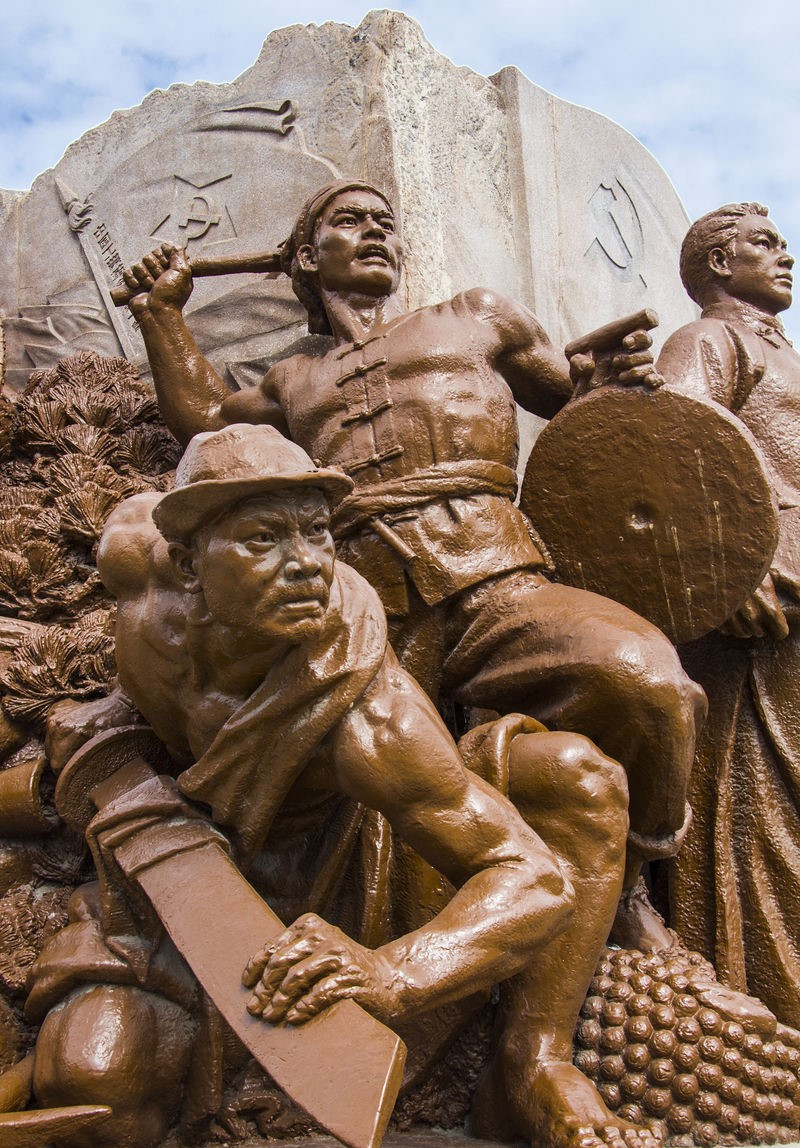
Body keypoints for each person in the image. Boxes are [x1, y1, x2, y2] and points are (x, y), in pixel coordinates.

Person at [28, 424, 659, 1148]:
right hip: (173, 854)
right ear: (188, 562)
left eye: (317, 531)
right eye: (264, 538)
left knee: (574, 776)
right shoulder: (134, 554)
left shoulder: (365, 712)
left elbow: (536, 878)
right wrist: (107, 722)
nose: (306, 563)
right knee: (96, 1090)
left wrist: (392, 971)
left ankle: (532, 1062)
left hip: (347, 867)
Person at [120, 180, 707, 951]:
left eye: (385, 222)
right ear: (306, 257)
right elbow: (204, 425)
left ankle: (628, 884)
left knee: (653, 685)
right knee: (377, 803)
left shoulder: (476, 316)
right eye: (349, 221)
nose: (375, 232)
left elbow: (576, 410)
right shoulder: (292, 378)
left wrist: (601, 385)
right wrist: (161, 316)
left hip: (499, 583)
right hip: (372, 618)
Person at [656, 203, 800, 1028]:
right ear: (718, 263)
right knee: (754, 812)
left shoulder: (781, 351)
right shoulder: (709, 340)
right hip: (758, 607)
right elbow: (676, 441)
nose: (786, 255)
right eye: (764, 244)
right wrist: (724, 570)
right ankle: (764, 1002)